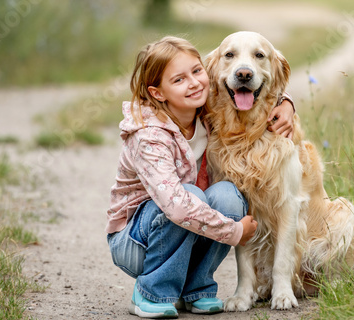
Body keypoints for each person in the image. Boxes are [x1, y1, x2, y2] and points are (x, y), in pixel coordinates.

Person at [106, 36, 295, 319]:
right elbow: (177, 206)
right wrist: (234, 232)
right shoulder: (149, 136)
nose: (194, 83)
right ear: (158, 94)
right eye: (179, 80)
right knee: (191, 196)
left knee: (229, 196)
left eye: (196, 72)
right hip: (137, 242)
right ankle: (151, 291)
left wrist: (287, 103)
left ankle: (195, 288)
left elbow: (254, 93)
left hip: (187, 227)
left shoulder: (204, 112)